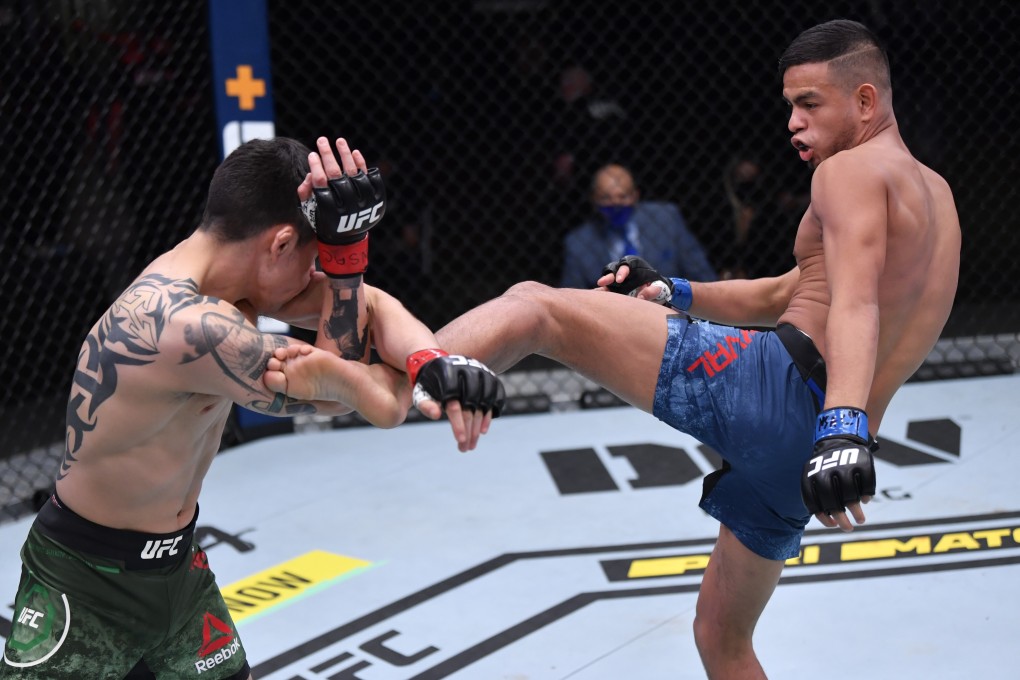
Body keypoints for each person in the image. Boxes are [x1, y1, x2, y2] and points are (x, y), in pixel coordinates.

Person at [263, 20, 960, 677]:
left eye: (809, 104)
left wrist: (842, 427)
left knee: (536, 307)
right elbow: (791, 290)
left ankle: (378, 389)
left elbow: (857, 304)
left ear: (865, 100)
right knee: (720, 634)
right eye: (789, 105)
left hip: (782, 392)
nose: (793, 124)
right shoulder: (939, 201)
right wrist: (677, 291)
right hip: (802, 454)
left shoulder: (846, 174)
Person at [1, 136, 503, 679]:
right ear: (281, 244)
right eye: (314, 261)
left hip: (176, 570)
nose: (314, 278)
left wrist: (428, 359)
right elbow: (364, 402)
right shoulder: (186, 328)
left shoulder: (232, 284)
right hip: (85, 584)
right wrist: (386, 369)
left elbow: (370, 306)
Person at [560, 163, 718, 288]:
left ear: (635, 196)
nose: (616, 204)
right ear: (594, 200)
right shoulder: (578, 244)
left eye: (623, 196)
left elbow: (702, 274)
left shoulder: (666, 218)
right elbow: (572, 300)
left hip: (671, 309)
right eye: (606, 198)